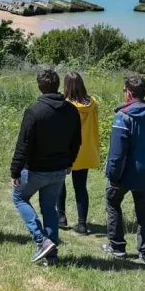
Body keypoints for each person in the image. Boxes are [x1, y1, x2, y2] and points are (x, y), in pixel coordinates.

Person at [9, 68, 82, 263]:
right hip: (59, 170)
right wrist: (70, 162)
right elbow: (76, 141)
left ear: (39, 87)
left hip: (35, 170)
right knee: (50, 208)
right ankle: (51, 255)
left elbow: (23, 145)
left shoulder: (34, 112)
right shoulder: (71, 110)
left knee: (19, 198)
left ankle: (41, 240)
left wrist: (15, 171)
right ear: (58, 86)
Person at [102, 74, 145, 265]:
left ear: (129, 93)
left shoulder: (122, 117)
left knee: (112, 202)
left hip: (124, 173)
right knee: (143, 210)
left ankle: (117, 247)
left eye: (124, 90)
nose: (124, 93)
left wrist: (113, 175)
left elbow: (117, 153)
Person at [56, 72, 100, 234]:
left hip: (67, 150)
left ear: (66, 86)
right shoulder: (92, 103)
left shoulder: (65, 105)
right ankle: (82, 224)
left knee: (60, 182)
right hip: (86, 150)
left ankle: (61, 217)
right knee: (81, 187)